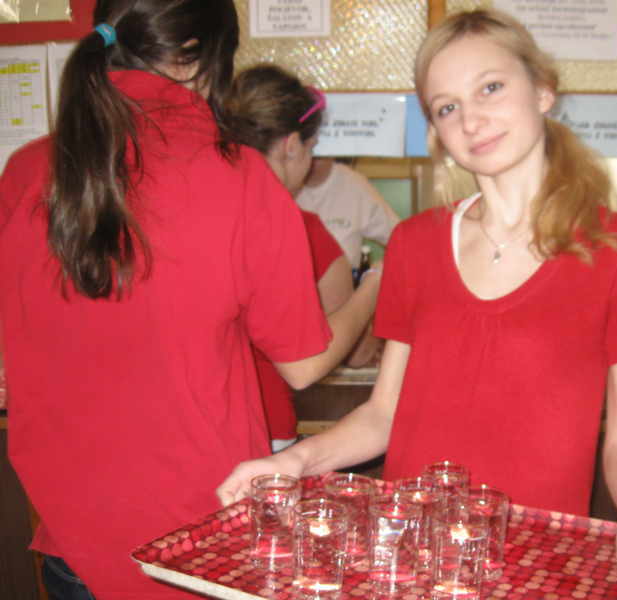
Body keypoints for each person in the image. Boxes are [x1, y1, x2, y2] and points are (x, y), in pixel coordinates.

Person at [218, 8, 617, 600]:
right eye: (447, 107)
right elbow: (385, 415)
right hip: (409, 564)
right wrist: (295, 463)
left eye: (490, 88)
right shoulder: (414, 245)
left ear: (542, 90)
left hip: (531, 567)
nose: (471, 119)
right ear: (436, 131)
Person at [0, 1, 339, 598]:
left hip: (72, 539)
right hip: (193, 543)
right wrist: (376, 291)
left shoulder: (28, 169)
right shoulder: (237, 173)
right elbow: (304, 364)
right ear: (195, 59)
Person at [223, 64, 382, 452]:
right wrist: (375, 285)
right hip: (264, 426)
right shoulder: (296, 227)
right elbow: (333, 357)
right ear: (291, 145)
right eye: (312, 150)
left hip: (201, 423)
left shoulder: (200, 211)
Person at [296, 157, 401, 269]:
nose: (311, 158)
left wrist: (377, 273)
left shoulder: (353, 185)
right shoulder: (286, 185)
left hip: (344, 277)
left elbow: (402, 240)